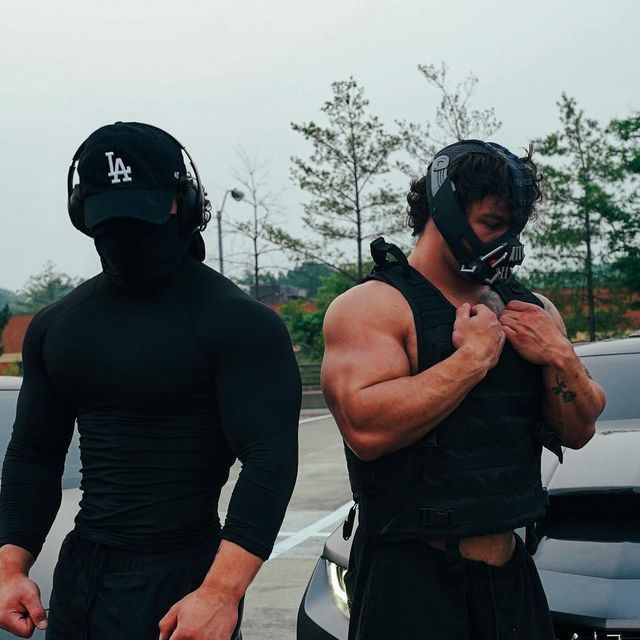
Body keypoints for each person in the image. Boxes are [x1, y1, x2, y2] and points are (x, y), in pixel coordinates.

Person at [0, 122, 301, 640]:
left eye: (140, 221)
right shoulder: (58, 327)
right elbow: (34, 454)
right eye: (110, 224)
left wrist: (221, 592)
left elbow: (270, 458)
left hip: (185, 583)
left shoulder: (241, 324)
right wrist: (9, 568)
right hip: (80, 581)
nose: (125, 239)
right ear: (83, 217)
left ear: (182, 205)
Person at [321, 139, 606, 640]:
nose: (506, 242)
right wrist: (472, 359)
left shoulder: (532, 308)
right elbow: (365, 429)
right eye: (492, 225)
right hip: (409, 580)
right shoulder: (373, 307)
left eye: (513, 229)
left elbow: (580, 428)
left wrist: (559, 355)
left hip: (510, 571)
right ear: (446, 212)